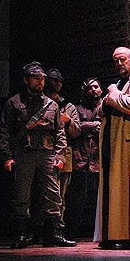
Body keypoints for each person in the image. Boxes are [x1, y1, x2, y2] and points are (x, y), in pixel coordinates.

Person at [0, 61, 76, 248]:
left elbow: (60, 132)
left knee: (53, 195)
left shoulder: (51, 105)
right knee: (21, 195)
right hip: (24, 152)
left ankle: (53, 233)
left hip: (47, 153)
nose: (40, 82)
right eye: (35, 78)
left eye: (42, 78)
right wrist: (7, 156)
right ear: (26, 80)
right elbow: (4, 131)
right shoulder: (14, 103)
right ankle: (22, 234)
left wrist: (60, 156)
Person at [94, 47, 130, 250]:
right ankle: (110, 234)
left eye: (122, 60)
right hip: (111, 141)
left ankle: (128, 235)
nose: (119, 64)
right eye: (116, 61)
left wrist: (113, 95)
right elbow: (101, 110)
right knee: (111, 188)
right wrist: (110, 98)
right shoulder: (118, 85)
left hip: (127, 142)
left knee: (127, 188)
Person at [63, 77, 102, 240]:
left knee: (101, 199)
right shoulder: (77, 109)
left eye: (96, 87)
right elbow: (75, 129)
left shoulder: (106, 107)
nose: (94, 90)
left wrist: (87, 127)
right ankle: (71, 232)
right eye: (90, 88)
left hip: (100, 160)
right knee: (76, 199)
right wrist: (94, 125)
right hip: (80, 158)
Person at [43, 69, 81, 234]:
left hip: (64, 151)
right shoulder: (40, 102)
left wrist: (68, 121)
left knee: (60, 194)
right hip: (43, 148)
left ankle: (57, 229)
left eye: (60, 80)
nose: (58, 83)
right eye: (54, 80)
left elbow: (77, 131)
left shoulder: (68, 106)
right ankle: (38, 229)